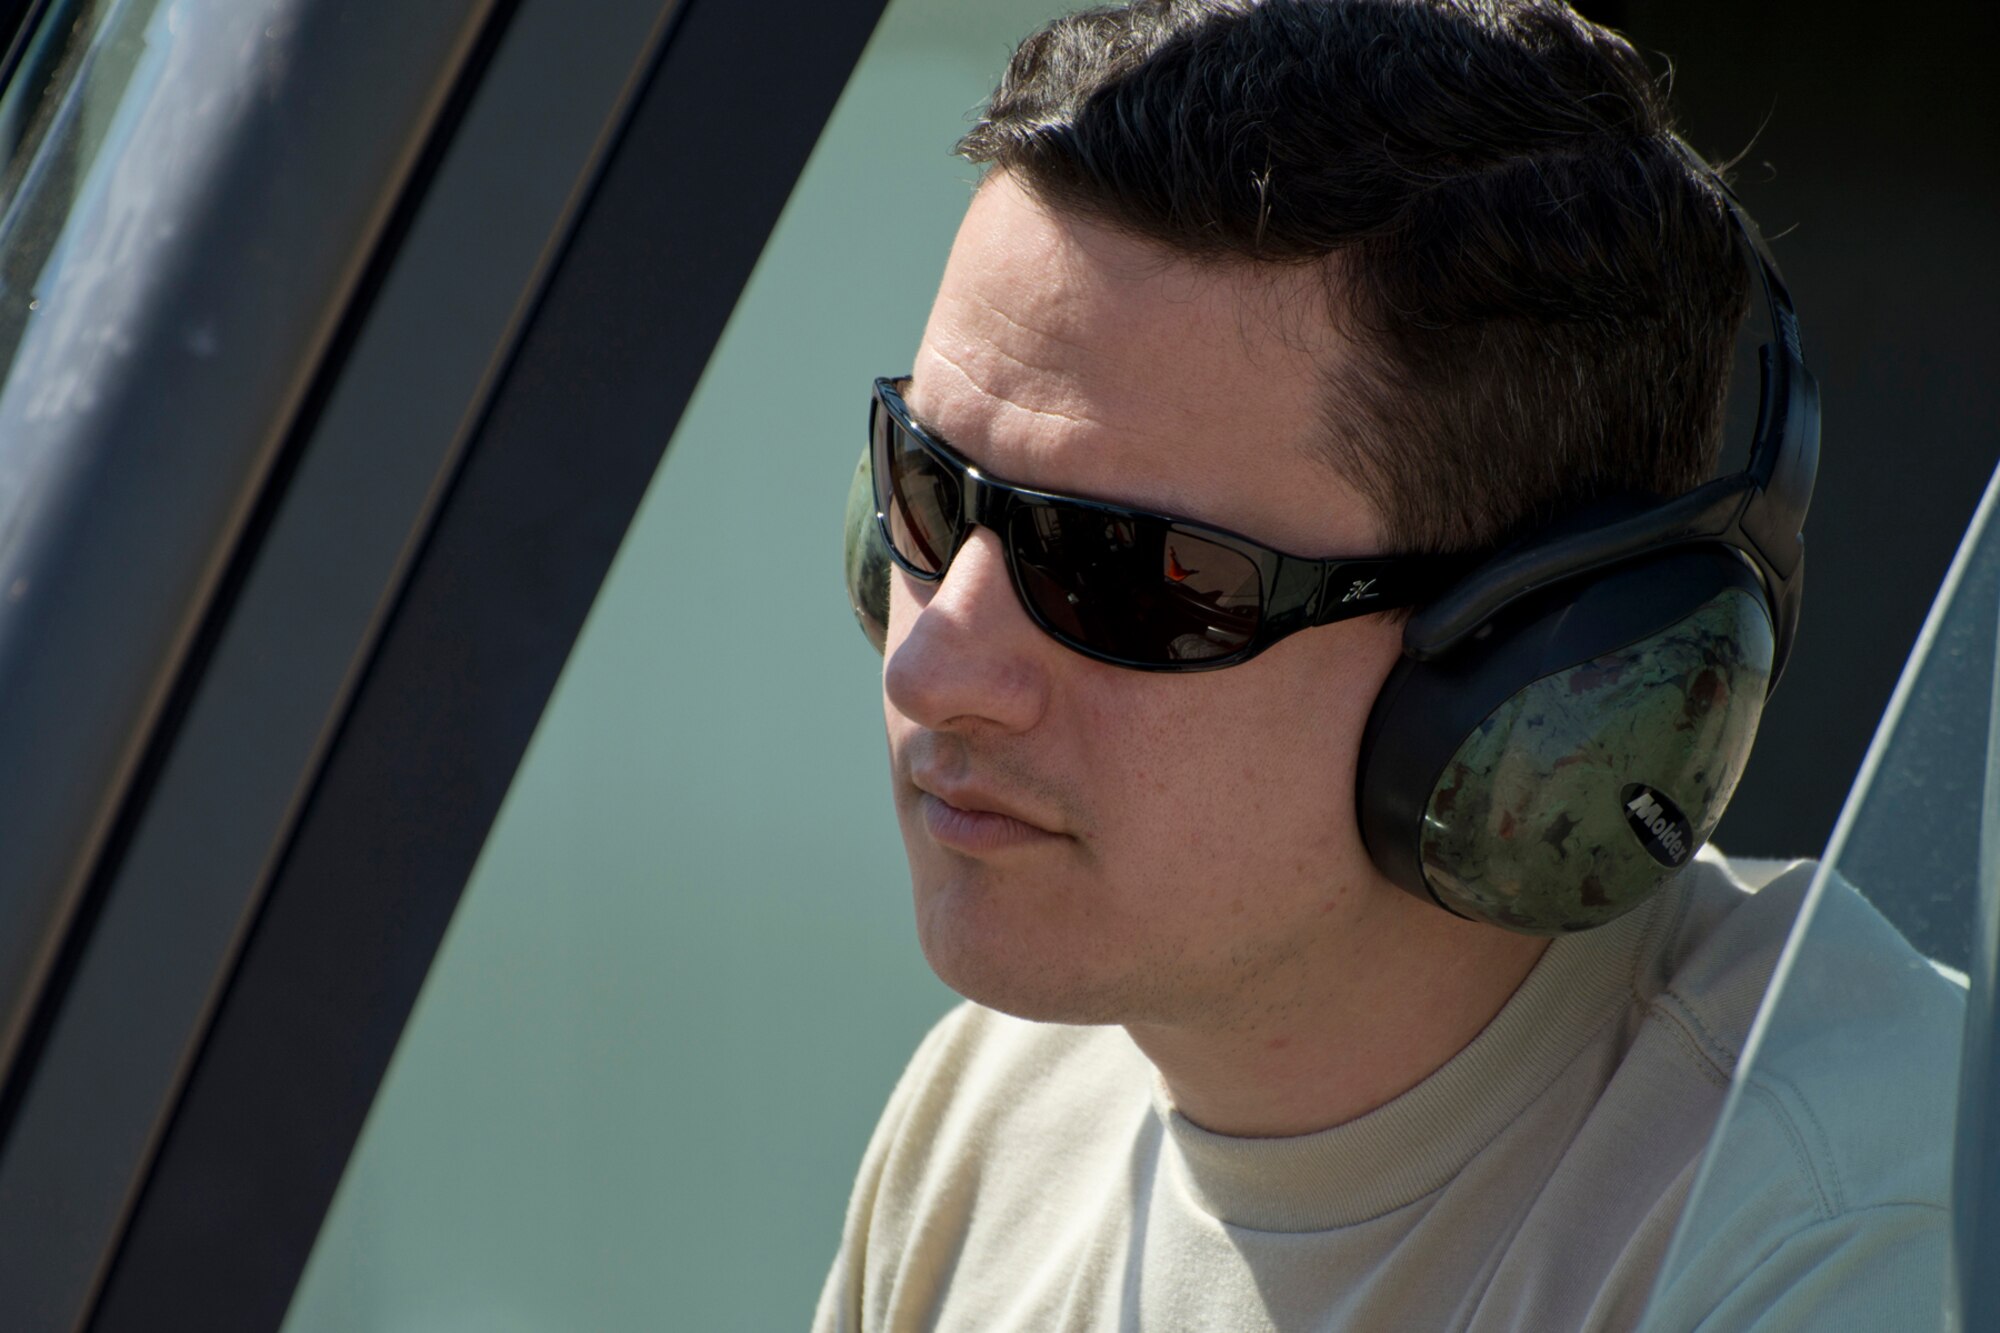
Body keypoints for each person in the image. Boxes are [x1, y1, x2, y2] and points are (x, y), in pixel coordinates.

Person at [816, 1, 1961, 1328]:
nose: (935, 663)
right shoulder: (995, 1118)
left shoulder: (1856, 1239)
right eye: (929, 490)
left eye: (1134, 572)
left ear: (1533, 683)